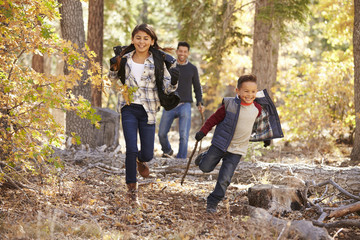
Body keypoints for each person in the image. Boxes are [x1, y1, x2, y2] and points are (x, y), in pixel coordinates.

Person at [108, 23, 179, 206]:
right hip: (128, 107)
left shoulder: (157, 61)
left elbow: (168, 87)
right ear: (132, 40)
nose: (141, 41)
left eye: (146, 38)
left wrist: (175, 79)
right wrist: (113, 68)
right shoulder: (125, 59)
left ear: (152, 41)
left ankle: (141, 160)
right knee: (130, 148)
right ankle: (132, 190)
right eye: (138, 37)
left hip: (148, 109)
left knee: (147, 154)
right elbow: (113, 81)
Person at [194, 74, 283, 213]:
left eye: (253, 91)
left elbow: (259, 124)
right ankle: (205, 156)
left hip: (237, 150)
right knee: (205, 168)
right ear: (238, 91)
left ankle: (213, 201)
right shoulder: (230, 105)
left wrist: (266, 138)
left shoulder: (257, 109)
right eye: (246, 91)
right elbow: (213, 119)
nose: (249, 94)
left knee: (225, 179)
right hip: (220, 144)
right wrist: (203, 132)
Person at [158, 41, 204, 159]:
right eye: (180, 51)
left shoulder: (192, 68)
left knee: (184, 135)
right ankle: (167, 151)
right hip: (170, 104)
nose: (182, 53)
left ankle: (181, 159)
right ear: (177, 51)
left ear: (188, 53)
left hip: (185, 105)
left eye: (185, 51)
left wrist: (200, 102)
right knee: (162, 133)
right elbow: (162, 84)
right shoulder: (169, 66)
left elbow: (197, 87)